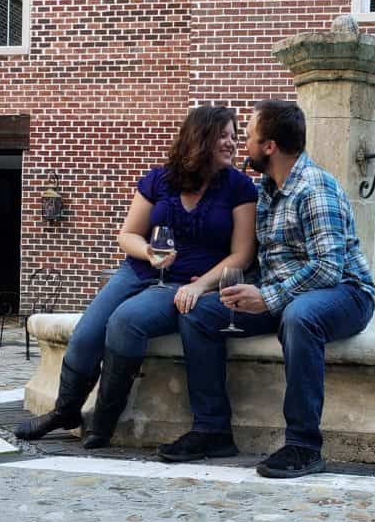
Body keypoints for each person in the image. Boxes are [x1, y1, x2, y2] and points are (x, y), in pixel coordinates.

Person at [15, 106, 258, 448]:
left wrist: (200, 285)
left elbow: (242, 254)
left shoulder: (239, 187)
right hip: (137, 271)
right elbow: (127, 235)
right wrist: (148, 252)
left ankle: (103, 423)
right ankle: (65, 411)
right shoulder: (160, 179)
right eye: (224, 135)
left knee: (126, 322)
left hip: (184, 282)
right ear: (199, 137)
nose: (232, 143)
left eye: (235, 136)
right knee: (85, 335)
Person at [157, 100, 375, 477]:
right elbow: (266, 260)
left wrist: (269, 298)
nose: (245, 145)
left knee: (300, 315)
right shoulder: (267, 191)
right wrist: (226, 288)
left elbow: (328, 267)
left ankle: (304, 445)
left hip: (346, 294)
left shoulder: (314, 187)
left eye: (251, 137)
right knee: (199, 316)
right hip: (284, 293)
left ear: (269, 146)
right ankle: (212, 430)